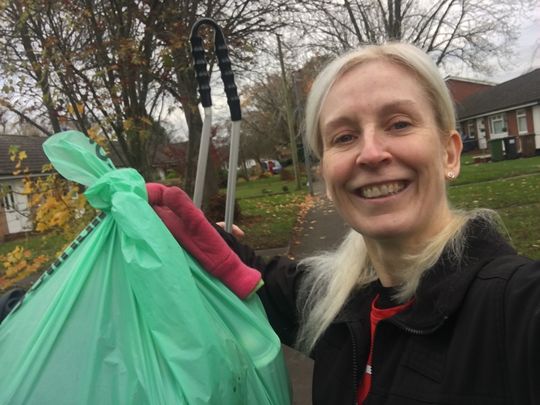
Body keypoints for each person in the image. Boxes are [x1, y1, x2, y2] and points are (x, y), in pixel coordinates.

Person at [2, 42, 540, 404]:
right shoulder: (343, 305)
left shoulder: (512, 307)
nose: (372, 153)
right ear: (327, 169)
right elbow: (257, 276)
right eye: (344, 136)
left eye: (398, 124)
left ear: (450, 152)